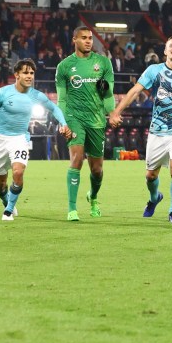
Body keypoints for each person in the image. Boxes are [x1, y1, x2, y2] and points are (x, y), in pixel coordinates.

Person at [109, 36, 172, 224]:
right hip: (157, 131)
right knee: (151, 175)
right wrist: (116, 111)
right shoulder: (154, 71)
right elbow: (135, 91)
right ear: (165, 52)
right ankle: (154, 198)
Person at [0, 59, 72, 220]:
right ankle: (6, 200)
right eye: (25, 73)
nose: (29, 76)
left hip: (20, 138)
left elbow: (54, 108)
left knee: (18, 172)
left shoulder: (36, 95)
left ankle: (8, 210)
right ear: (16, 74)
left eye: (31, 73)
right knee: (1, 182)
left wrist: (63, 123)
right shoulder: (2, 93)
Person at [56, 26, 116, 221]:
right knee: (76, 159)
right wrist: (63, 122)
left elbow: (108, 94)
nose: (89, 41)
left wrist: (112, 113)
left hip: (97, 120)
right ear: (74, 40)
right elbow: (62, 99)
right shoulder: (64, 66)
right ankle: (72, 209)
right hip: (75, 118)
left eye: (90, 38)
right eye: (84, 38)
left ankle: (93, 196)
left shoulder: (103, 63)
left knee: (97, 170)